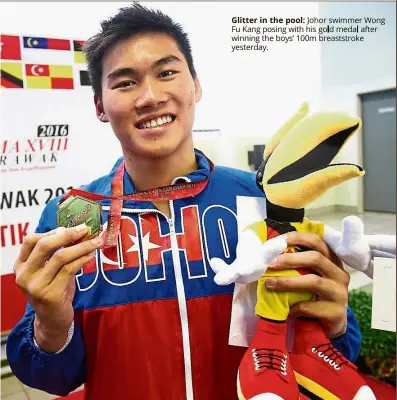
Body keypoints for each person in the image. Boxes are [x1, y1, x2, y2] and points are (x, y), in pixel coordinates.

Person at [7, 4, 361, 400]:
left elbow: (330, 351)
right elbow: (53, 379)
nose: (150, 96)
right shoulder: (70, 219)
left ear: (195, 85)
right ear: (99, 107)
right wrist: (51, 324)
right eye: (124, 83)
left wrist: (335, 324)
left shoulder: (264, 200)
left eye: (167, 73)